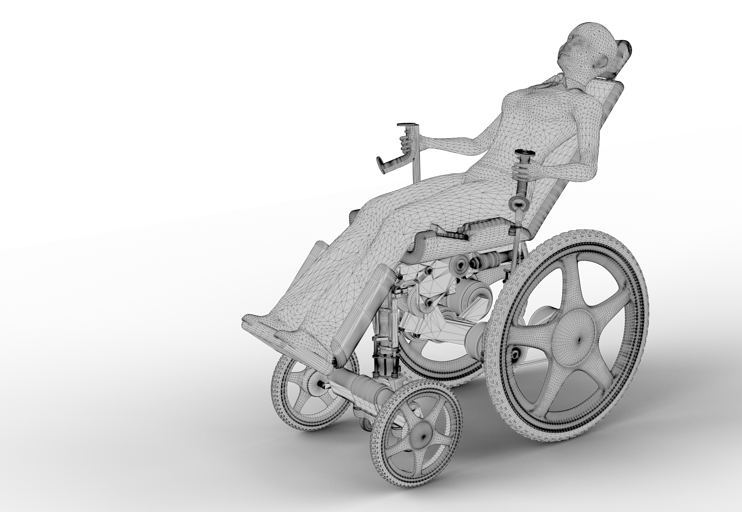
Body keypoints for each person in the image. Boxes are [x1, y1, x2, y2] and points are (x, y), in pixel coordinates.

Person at [243, 23, 628, 357]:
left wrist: (541, 170)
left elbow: (588, 169)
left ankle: (320, 335)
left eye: (576, 42)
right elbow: (478, 144)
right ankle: (286, 317)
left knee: (401, 222)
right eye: (569, 37)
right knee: (374, 208)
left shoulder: (584, 106)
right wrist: (429, 143)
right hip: (473, 177)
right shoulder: (534, 90)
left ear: (597, 62)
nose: (566, 44)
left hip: (503, 193)